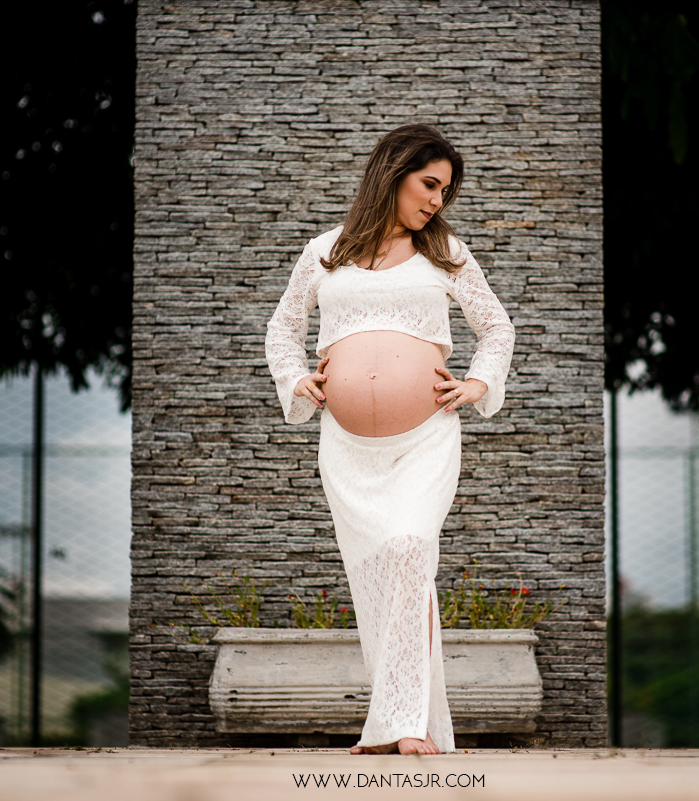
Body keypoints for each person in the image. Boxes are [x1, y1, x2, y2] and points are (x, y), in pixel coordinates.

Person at [264, 124, 516, 755]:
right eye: (429, 184)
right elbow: (282, 329)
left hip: (423, 439)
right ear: (393, 171)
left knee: (409, 548)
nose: (436, 200)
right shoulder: (324, 252)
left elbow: (497, 328)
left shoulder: (446, 253)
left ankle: (405, 725)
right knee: (376, 576)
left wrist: (479, 384)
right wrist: (297, 378)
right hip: (347, 449)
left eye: (445, 192)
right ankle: (394, 723)